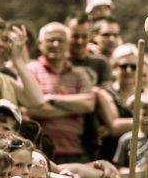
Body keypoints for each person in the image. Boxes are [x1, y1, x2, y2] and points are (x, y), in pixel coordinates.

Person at [25, 22, 101, 164]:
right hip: (37, 152)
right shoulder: (30, 70)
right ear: (40, 43)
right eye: (50, 40)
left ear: (68, 44)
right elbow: (30, 109)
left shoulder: (79, 75)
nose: (55, 44)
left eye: (60, 40)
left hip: (74, 152)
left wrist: (50, 99)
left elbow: (89, 104)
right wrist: (73, 108)